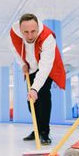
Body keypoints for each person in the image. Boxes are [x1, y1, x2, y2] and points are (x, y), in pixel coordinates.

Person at [10, 13, 66, 145]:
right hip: (30, 68)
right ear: (20, 29)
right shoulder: (14, 32)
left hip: (45, 68)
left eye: (33, 31)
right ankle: (37, 129)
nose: (30, 36)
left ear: (37, 27)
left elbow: (46, 66)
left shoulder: (47, 38)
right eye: (26, 32)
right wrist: (22, 64)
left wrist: (35, 88)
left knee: (43, 95)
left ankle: (45, 132)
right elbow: (14, 48)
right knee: (31, 102)